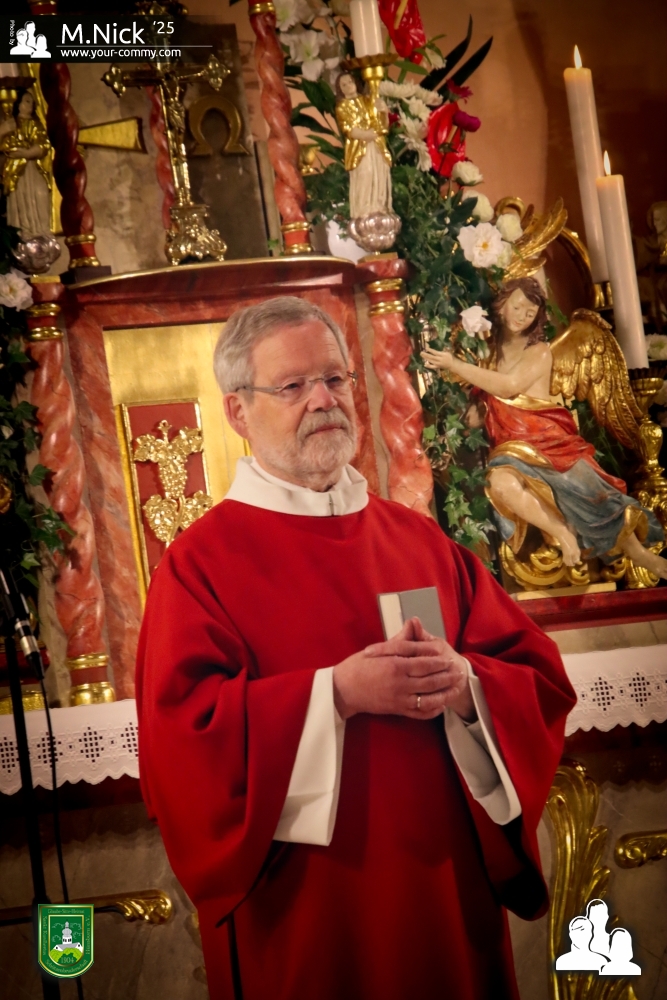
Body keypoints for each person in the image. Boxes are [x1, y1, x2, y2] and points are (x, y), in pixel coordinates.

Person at [136, 296, 576, 1000]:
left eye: (335, 379)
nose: (323, 400)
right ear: (237, 412)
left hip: (445, 897)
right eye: (293, 385)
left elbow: (536, 678)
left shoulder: (418, 541)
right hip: (309, 912)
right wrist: (335, 695)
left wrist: (468, 686)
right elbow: (183, 745)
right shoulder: (199, 566)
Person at [421, 277, 667, 579]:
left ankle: (639, 554)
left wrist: (455, 365)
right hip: (510, 449)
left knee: (594, 496)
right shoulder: (487, 354)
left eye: (530, 312)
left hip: (548, 441)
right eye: (517, 307)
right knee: (499, 484)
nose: (522, 316)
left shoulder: (538, 351)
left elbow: (509, 386)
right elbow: (482, 409)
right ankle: (560, 532)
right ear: (501, 306)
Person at [335, 72, 393, 219]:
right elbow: (348, 129)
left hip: (376, 144)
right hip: (360, 148)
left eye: (350, 82)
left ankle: (380, 206)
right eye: (344, 85)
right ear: (340, 89)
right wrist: (365, 134)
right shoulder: (342, 107)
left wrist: (383, 112)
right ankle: (365, 209)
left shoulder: (368, 100)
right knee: (365, 173)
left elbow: (382, 126)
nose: (348, 86)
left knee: (380, 173)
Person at [0, 89, 53, 242]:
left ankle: (41, 230)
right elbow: (5, 145)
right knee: (20, 197)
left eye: (32, 102)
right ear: (18, 104)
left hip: (33, 167)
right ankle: (24, 231)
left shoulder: (35, 124)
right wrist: (3, 130)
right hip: (15, 170)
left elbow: (43, 144)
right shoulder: (10, 123)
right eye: (27, 101)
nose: (31, 105)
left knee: (40, 193)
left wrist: (28, 153)